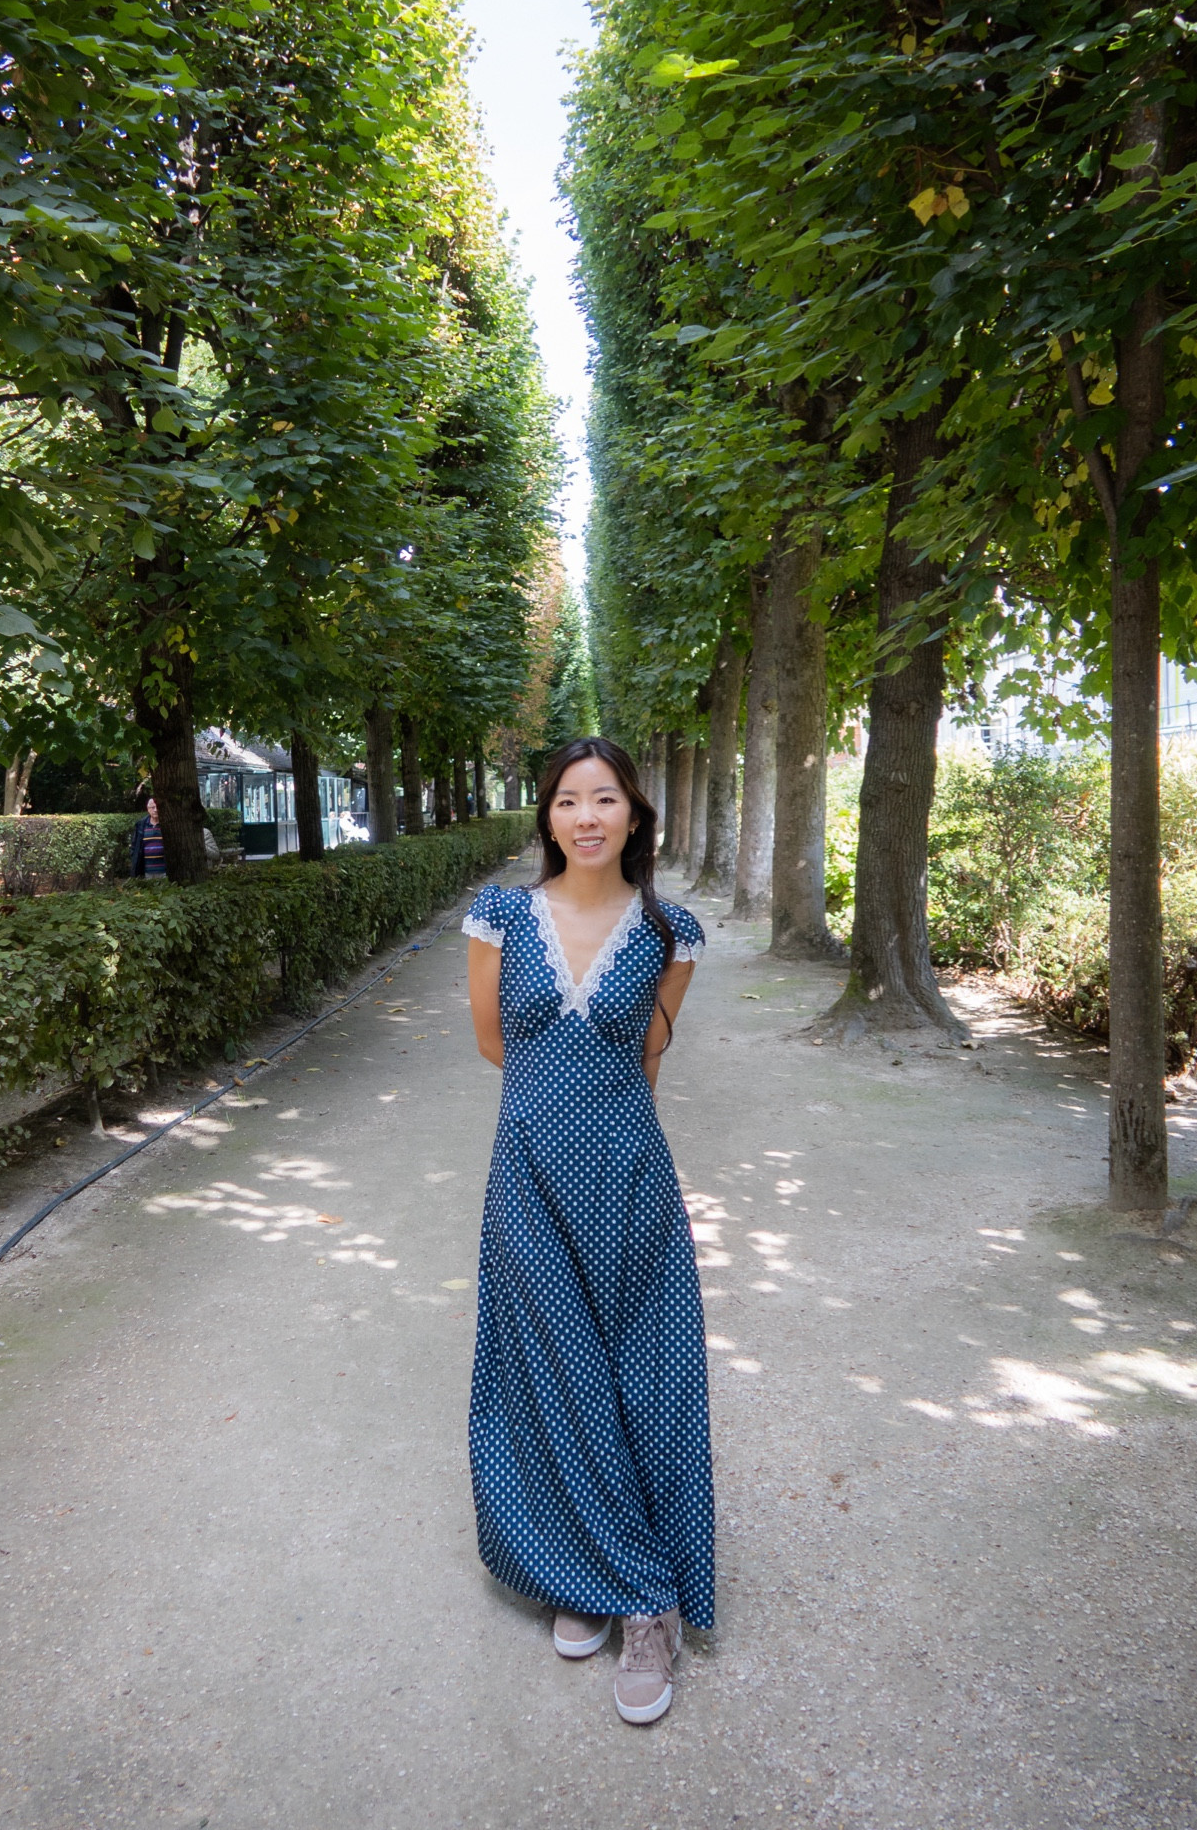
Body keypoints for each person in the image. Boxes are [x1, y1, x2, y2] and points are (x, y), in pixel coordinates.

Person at [462, 736, 712, 1726]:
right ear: (548, 818)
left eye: (605, 797)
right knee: (552, 1364)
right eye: (568, 799)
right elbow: (494, 1043)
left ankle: (647, 1602)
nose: (587, 815)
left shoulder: (670, 931)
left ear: (635, 815)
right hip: (525, 1166)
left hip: (625, 1173)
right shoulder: (498, 915)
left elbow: (646, 1058)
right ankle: (592, 1565)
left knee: (635, 1370)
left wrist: (611, 1141)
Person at [129, 796, 166, 878]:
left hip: (164, 871)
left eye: (157, 807)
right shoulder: (141, 825)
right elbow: (134, 846)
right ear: (148, 809)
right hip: (147, 871)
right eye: (153, 807)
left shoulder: (167, 824)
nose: (155, 810)